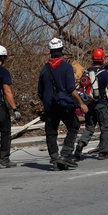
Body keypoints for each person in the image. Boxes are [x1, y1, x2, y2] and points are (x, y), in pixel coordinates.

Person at [37, 37, 89, 170]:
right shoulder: (66, 67)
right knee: (73, 126)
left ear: (50, 51)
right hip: (64, 105)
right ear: (61, 50)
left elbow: (40, 92)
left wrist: (46, 103)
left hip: (50, 107)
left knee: (51, 132)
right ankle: (65, 155)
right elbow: (71, 89)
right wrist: (81, 104)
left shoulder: (44, 69)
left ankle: (55, 159)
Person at [74, 48, 108, 160]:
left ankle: (81, 144)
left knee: (89, 127)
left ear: (92, 59)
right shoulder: (105, 73)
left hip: (89, 104)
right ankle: (103, 152)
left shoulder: (86, 72)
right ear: (103, 59)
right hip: (101, 104)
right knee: (105, 127)